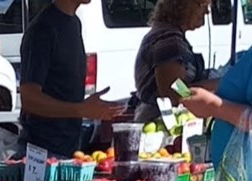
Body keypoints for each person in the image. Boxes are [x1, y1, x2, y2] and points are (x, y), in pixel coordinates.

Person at [17, 0, 124, 159]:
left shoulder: (74, 23)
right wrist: (82, 109)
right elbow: (29, 99)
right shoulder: (43, 30)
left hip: (68, 148)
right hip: (42, 153)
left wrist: (99, 112)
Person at [132, 0, 217, 123]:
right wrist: (213, 86)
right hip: (162, 124)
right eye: (203, 5)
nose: (207, 11)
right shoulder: (168, 40)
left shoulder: (169, 35)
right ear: (183, 6)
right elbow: (173, 89)